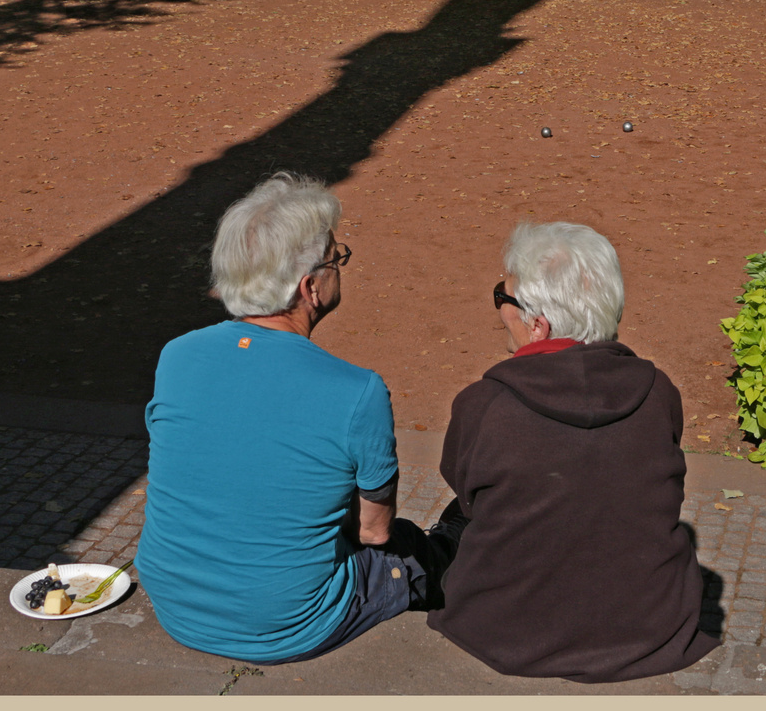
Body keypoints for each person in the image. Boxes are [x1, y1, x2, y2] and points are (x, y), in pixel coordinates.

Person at [137, 172, 468, 664]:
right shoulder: (357, 391)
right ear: (310, 287)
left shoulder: (177, 355)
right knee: (417, 550)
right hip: (287, 621)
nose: (341, 267)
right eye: (336, 259)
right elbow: (373, 532)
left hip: (175, 604)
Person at [426, 221, 721, 683]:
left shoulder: (485, 405)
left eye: (504, 299)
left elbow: (468, 497)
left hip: (505, 633)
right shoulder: (658, 393)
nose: (500, 309)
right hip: (652, 631)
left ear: (537, 324)